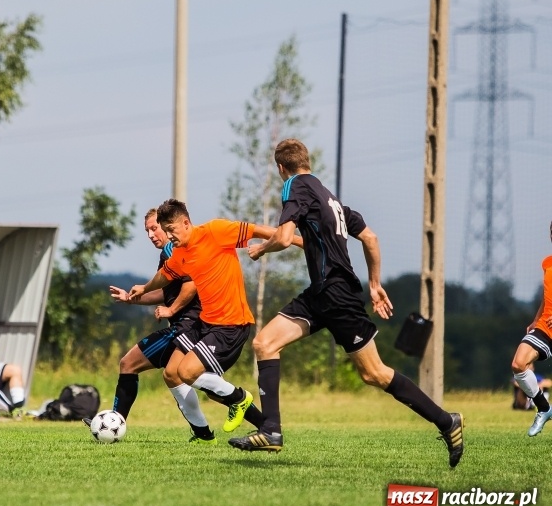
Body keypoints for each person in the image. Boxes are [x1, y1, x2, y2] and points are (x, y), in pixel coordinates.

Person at [227, 138, 464, 469]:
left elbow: (282, 236)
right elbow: (370, 237)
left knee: (374, 373)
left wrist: (260, 248)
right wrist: (375, 283)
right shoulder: (328, 197)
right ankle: (272, 431)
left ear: (281, 168)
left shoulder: (294, 186)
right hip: (321, 294)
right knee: (265, 343)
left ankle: (446, 421)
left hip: (337, 296)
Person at [128, 199, 276, 436]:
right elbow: (164, 277)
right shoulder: (179, 252)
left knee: (187, 373)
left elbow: (259, 230)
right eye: (160, 230)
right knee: (174, 373)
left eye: (167, 230)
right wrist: (143, 289)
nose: (164, 235)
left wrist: (298, 240)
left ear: (185, 223)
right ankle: (218, 432)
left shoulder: (214, 231)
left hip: (225, 324)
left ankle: (241, 402)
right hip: (205, 323)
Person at [85, 208, 217, 443]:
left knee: (135, 365)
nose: (151, 234)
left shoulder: (172, 249)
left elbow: (191, 283)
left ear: (167, 227)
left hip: (188, 326)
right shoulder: (169, 253)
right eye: (147, 230)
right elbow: (166, 294)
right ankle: (205, 431)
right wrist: (131, 298)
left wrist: (172, 310)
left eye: (154, 228)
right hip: (190, 325)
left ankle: (116, 421)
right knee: (171, 375)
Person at [511, 222, 552, 436]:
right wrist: (536, 319)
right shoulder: (547, 263)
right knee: (518, 363)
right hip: (546, 326)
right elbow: (547, 298)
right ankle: (544, 408)